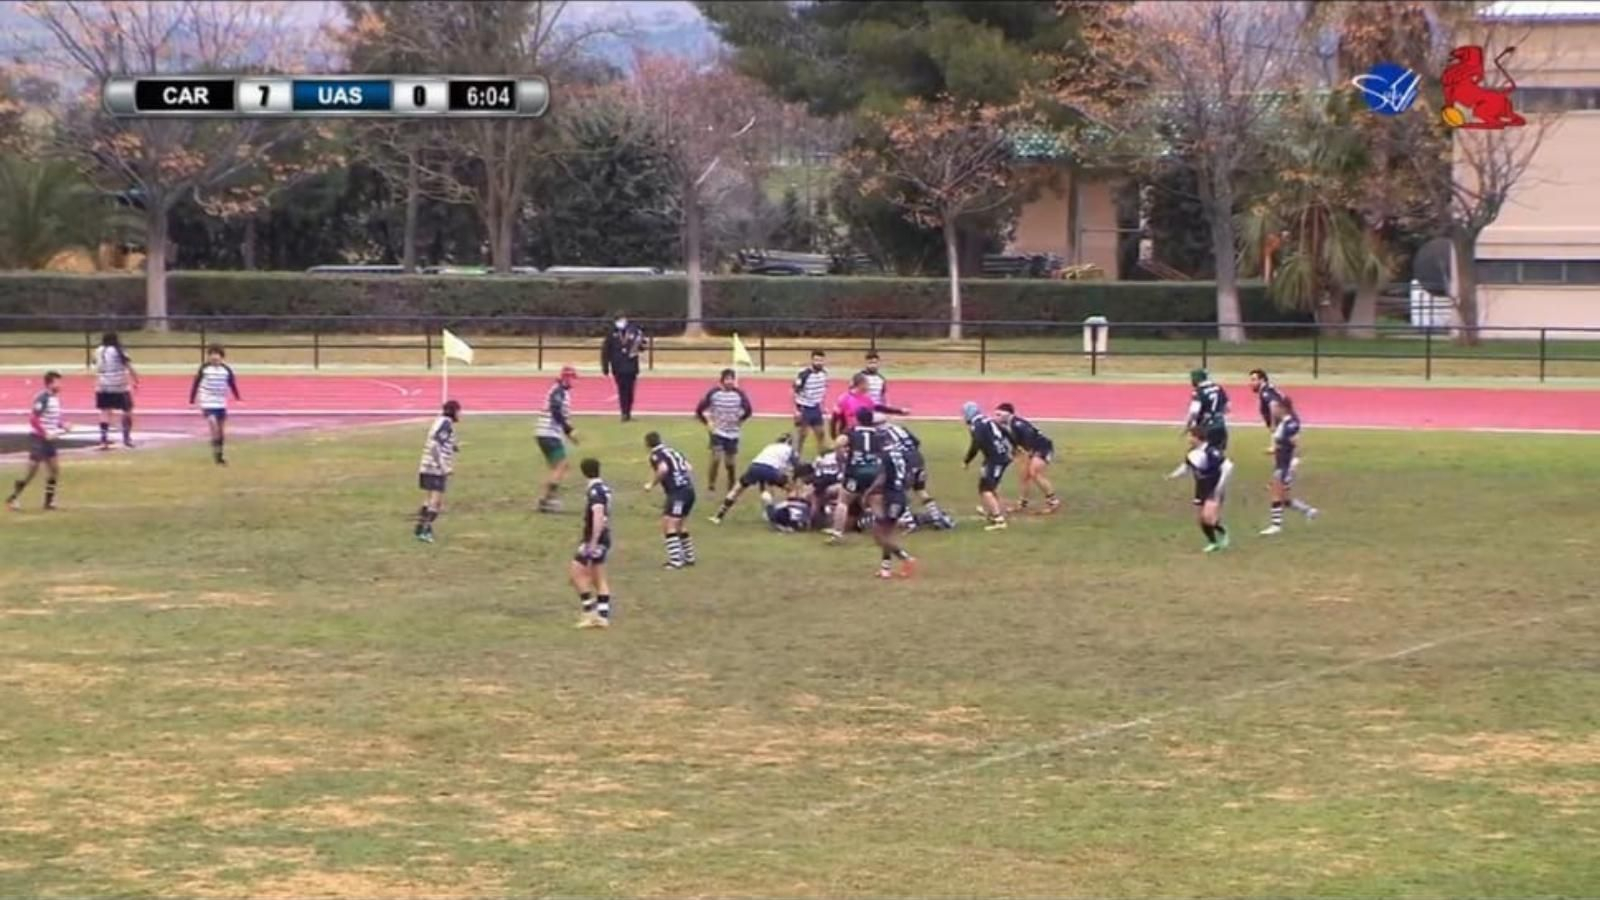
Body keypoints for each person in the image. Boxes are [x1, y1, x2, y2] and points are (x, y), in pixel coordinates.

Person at [1168, 425, 1234, 553]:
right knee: (1201, 520)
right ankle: (1213, 542)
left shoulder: (1211, 451)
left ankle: (1223, 532)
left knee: (1208, 516)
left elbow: (1228, 466)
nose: (1188, 439)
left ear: (1197, 437)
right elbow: (1186, 467)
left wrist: (1221, 485)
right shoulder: (1192, 452)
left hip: (1214, 488)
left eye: (1190, 436)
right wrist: (1173, 475)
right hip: (1201, 488)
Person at [7, 371, 66, 512]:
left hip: (49, 439)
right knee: (32, 471)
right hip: (39, 439)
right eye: (58, 382)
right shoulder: (43, 398)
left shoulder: (55, 398)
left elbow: (53, 419)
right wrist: (45, 434)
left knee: (54, 469)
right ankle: (13, 497)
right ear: (50, 383)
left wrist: (63, 425)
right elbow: (34, 419)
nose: (60, 384)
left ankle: (49, 501)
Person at [1261, 394, 1320, 536]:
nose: (1273, 410)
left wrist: (1294, 461)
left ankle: (1276, 526)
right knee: (1285, 499)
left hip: (1285, 465)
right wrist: (1273, 450)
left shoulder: (1290, 424)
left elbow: (1295, 444)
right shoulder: (1285, 422)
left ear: (1282, 408)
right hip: (1281, 463)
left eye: (1275, 407)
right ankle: (1309, 511)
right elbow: (1282, 443)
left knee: (1276, 494)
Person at [709, 433, 797, 524]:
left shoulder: (770, 446)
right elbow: (797, 466)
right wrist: (791, 479)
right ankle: (791, 513)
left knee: (737, 490)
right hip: (771, 470)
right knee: (791, 490)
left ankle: (719, 516)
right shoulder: (789, 450)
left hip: (754, 467)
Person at [828, 406, 886, 541]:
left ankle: (837, 533)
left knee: (843, 502)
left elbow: (838, 444)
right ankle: (884, 533)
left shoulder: (852, 432)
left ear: (857, 419)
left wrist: (841, 458)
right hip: (874, 472)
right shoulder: (879, 434)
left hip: (855, 471)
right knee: (876, 503)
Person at [878, 419, 948, 527]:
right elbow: (916, 442)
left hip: (904, 461)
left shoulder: (880, 432)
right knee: (920, 489)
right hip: (917, 458)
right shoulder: (899, 427)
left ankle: (909, 521)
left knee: (898, 489)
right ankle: (936, 516)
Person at [571, 458, 615, 629]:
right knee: (598, 578)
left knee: (576, 573)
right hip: (604, 537)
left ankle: (589, 612)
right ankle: (602, 616)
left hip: (594, 538)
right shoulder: (604, 488)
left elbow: (598, 514)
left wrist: (593, 542)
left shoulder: (595, 492)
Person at [694, 368, 753, 495]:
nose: (730, 382)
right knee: (716, 458)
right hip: (717, 431)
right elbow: (699, 410)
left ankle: (731, 484)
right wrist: (707, 422)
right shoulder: (713, 393)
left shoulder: (740, 394)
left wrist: (740, 420)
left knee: (730, 463)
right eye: (727, 379)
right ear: (722, 380)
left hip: (733, 432)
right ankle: (711, 486)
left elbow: (748, 410)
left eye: (732, 379)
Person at [870, 424, 918, 579]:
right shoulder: (902, 453)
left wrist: (868, 492)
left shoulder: (885, 456)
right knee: (886, 533)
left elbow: (882, 478)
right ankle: (886, 569)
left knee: (880, 534)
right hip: (899, 494)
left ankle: (907, 558)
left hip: (892, 497)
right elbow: (911, 476)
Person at [644, 432, 698, 569]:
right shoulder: (674, 451)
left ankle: (676, 561)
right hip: (689, 491)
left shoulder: (655, 455)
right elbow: (689, 467)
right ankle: (689, 557)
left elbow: (663, 469)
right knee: (680, 524)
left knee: (669, 524)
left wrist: (651, 484)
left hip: (678, 494)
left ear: (647, 444)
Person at [994, 403, 1060, 514]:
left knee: (1034, 472)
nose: (996, 417)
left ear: (1008, 414)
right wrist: (1015, 451)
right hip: (1030, 449)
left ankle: (1053, 501)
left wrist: (1027, 453)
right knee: (1024, 476)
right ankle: (1022, 504)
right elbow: (1013, 440)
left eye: (999, 414)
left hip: (1042, 447)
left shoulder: (1018, 424)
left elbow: (1028, 437)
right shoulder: (1006, 425)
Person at [961, 401, 1013, 532]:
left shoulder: (976, 425)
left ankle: (998, 519)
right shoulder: (988, 420)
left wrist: (967, 460)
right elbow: (1005, 431)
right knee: (988, 487)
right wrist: (1014, 446)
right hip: (999, 457)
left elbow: (976, 444)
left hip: (996, 459)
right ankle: (995, 511)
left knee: (986, 489)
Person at [415, 400, 461, 544]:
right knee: (436, 502)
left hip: (426, 464)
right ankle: (425, 531)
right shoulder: (446, 424)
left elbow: (437, 440)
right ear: (454, 411)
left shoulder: (439, 421)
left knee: (428, 500)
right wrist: (444, 467)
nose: (460, 414)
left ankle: (419, 527)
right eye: (459, 411)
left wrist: (453, 446)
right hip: (435, 467)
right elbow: (435, 445)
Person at [536, 366, 580, 513]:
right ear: (566, 378)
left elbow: (561, 415)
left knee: (556, 468)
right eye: (572, 378)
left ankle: (545, 498)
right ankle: (547, 499)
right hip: (548, 434)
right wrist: (569, 430)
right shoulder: (559, 391)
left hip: (546, 433)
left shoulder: (561, 392)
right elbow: (556, 410)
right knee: (562, 466)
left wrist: (569, 433)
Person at [189, 345, 241, 465]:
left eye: (217, 354)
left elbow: (232, 384)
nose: (214, 357)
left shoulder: (226, 370)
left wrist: (238, 397)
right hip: (207, 402)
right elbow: (196, 383)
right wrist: (192, 399)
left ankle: (219, 455)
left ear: (221, 357)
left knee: (221, 432)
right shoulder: (204, 369)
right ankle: (215, 446)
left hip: (221, 403)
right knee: (213, 424)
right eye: (212, 354)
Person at [92, 332, 139, 450]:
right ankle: (126, 438)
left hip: (102, 384)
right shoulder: (119, 350)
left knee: (104, 411)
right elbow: (128, 365)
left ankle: (103, 439)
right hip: (119, 385)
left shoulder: (98, 350)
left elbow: (95, 364)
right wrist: (136, 379)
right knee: (127, 409)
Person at [830, 373, 907, 439]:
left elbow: (879, 408)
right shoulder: (844, 399)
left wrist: (899, 411)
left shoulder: (867, 399)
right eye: (867, 384)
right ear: (861, 384)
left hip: (865, 433)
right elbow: (834, 418)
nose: (869, 386)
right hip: (849, 434)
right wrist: (834, 435)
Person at [600, 312, 646, 422]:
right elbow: (605, 350)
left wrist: (641, 344)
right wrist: (605, 366)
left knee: (630, 391)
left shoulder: (634, 330)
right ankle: (624, 413)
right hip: (618, 366)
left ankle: (628, 412)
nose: (621, 322)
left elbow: (641, 346)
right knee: (622, 390)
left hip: (631, 366)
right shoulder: (611, 333)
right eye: (619, 320)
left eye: (623, 319)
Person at [792, 350, 828, 457]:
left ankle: (821, 457)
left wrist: (822, 405)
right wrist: (796, 410)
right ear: (812, 360)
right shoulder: (804, 375)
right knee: (802, 435)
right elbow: (794, 391)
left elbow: (823, 391)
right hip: (804, 408)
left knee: (820, 433)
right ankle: (796, 456)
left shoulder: (824, 374)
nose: (818, 363)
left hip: (816, 408)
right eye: (816, 360)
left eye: (820, 360)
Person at [1184, 368, 1230, 450]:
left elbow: (1194, 411)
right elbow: (1227, 407)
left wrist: (1189, 425)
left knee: (1198, 454)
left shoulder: (1198, 391)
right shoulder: (1218, 388)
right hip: (1220, 426)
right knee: (1217, 454)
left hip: (1206, 428)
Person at [762, 469, 816, 533]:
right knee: (776, 510)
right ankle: (785, 524)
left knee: (772, 507)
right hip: (794, 512)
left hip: (796, 512)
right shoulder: (798, 490)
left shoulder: (808, 490)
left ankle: (782, 524)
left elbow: (811, 505)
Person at [1247, 368, 1284, 432]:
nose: (1251, 383)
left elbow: (1273, 404)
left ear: (1261, 380)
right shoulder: (1267, 388)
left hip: (1282, 427)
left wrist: (1273, 424)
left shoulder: (1265, 391)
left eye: (1253, 380)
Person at [857, 351, 889, 419]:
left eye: (875, 363)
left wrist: (886, 410)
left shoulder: (881, 379)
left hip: (878, 412)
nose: (873, 365)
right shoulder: (859, 378)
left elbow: (883, 396)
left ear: (878, 363)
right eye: (870, 363)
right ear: (866, 363)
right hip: (863, 412)